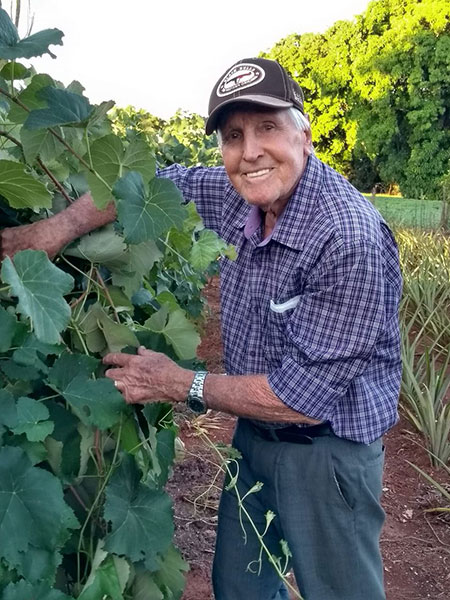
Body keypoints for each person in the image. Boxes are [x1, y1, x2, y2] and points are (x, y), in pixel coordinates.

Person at [0, 58, 402, 600]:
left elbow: (303, 399)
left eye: (267, 128)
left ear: (304, 136)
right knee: (240, 589)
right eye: (234, 135)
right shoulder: (236, 190)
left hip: (326, 456)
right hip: (254, 436)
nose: (250, 150)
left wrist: (179, 383)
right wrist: (56, 228)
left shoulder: (347, 237)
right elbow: (147, 187)